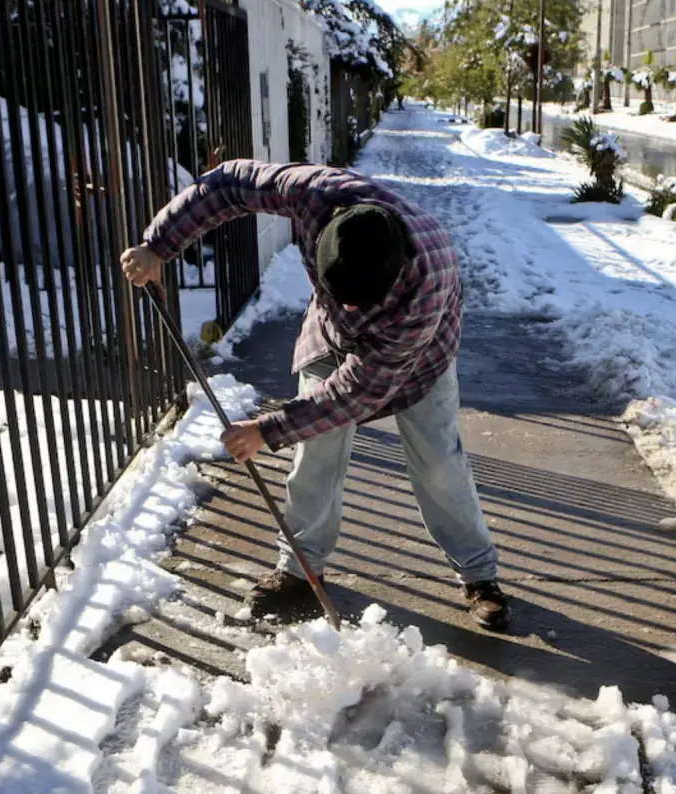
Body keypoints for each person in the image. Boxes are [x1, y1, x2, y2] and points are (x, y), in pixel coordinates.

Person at [120, 159, 509, 631]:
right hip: (328, 337)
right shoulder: (317, 195)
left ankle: (478, 574)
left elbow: (356, 392)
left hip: (420, 358)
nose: (348, 306)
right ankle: (300, 570)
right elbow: (224, 185)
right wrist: (158, 245)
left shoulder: (422, 291)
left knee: (438, 461)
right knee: (314, 454)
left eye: (357, 299)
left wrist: (268, 429)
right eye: (337, 289)